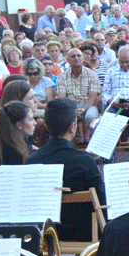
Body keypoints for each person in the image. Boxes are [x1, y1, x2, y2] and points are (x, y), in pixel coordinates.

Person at [26, 99, 106, 242]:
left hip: (47, 233)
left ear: (46, 126)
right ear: (72, 127)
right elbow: (102, 203)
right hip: (86, 232)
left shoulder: (32, 160)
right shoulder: (84, 161)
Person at [0, 100, 34, 166]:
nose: (35, 123)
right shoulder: (13, 154)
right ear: (19, 125)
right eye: (31, 119)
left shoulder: (7, 141)